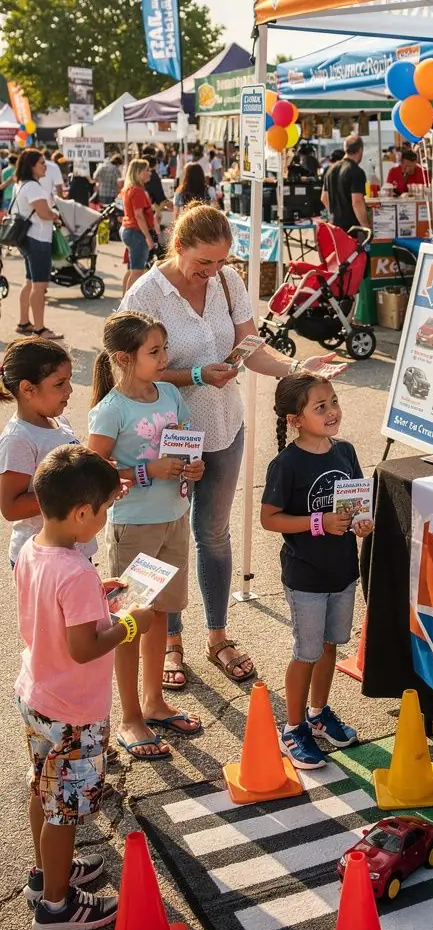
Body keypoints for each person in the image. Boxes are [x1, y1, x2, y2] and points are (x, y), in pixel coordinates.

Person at [120, 203, 336, 688]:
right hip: (167, 434)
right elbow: (133, 371)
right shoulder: (146, 293)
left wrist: (299, 371)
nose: (212, 272)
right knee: (167, 539)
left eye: (221, 262)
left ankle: (217, 635)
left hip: (223, 427)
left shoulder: (228, 282)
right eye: (204, 263)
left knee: (212, 535)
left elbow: (250, 348)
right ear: (178, 248)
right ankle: (172, 642)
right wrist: (197, 373)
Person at [14, 444, 153, 930]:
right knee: (65, 810)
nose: (104, 518)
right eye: (104, 510)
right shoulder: (74, 570)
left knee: (43, 790)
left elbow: (57, 616)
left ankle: (45, 873)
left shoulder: (36, 549)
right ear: (80, 512)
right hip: (74, 710)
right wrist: (132, 626)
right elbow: (83, 647)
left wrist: (100, 593)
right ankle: (56, 905)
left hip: (37, 695)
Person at [88, 313, 204, 760]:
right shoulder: (112, 409)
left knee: (158, 617)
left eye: (163, 348)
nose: (164, 358)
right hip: (134, 527)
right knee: (132, 624)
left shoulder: (172, 394)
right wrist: (146, 470)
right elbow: (93, 476)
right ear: (123, 358)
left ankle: (154, 703)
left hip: (175, 518)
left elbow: (188, 449)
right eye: (153, 352)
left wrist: (195, 467)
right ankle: (130, 717)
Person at [260, 373, 372, 769]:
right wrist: (318, 523)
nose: (332, 411)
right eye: (319, 406)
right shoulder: (286, 464)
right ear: (295, 419)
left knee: (329, 646)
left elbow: (357, 503)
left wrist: (362, 522)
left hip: (342, 570)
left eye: (334, 401)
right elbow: (269, 519)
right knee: (306, 652)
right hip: (306, 575)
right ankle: (293, 729)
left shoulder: (345, 451)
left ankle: (319, 713)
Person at [0, 338, 94, 568]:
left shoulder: (59, 421)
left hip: (75, 549)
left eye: (69, 381)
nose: (70, 390)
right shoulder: (19, 439)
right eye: (60, 384)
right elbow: (11, 507)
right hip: (41, 558)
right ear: (28, 389)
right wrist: (71, 493)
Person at [12, 149, 62, 339]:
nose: (45, 166)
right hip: (38, 238)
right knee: (39, 286)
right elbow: (44, 213)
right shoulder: (34, 187)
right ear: (31, 166)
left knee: (30, 282)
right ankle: (40, 328)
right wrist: (56, 215)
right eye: (41, 163)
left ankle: (24, 322)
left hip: (27, 238)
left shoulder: (22, 184)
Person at [121, 158, 157, 295]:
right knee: (137, 271)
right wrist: (148, 237)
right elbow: (139, 215)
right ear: (139, 172)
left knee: (132, 269)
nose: (149, 173)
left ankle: (124, 301)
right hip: (137, 232)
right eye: (146, 170)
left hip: (130, 230)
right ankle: (129, 305)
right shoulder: (137, 191)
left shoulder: (130, 189)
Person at [322, 136, 368, 232]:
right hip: (352, 228)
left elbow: (324, 198)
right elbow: (357, 202)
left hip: (335, 225)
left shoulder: (330, 169)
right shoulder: (356, 171)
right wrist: (366, 226)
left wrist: (336, 213)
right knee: (355, 248)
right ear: (360, 150)